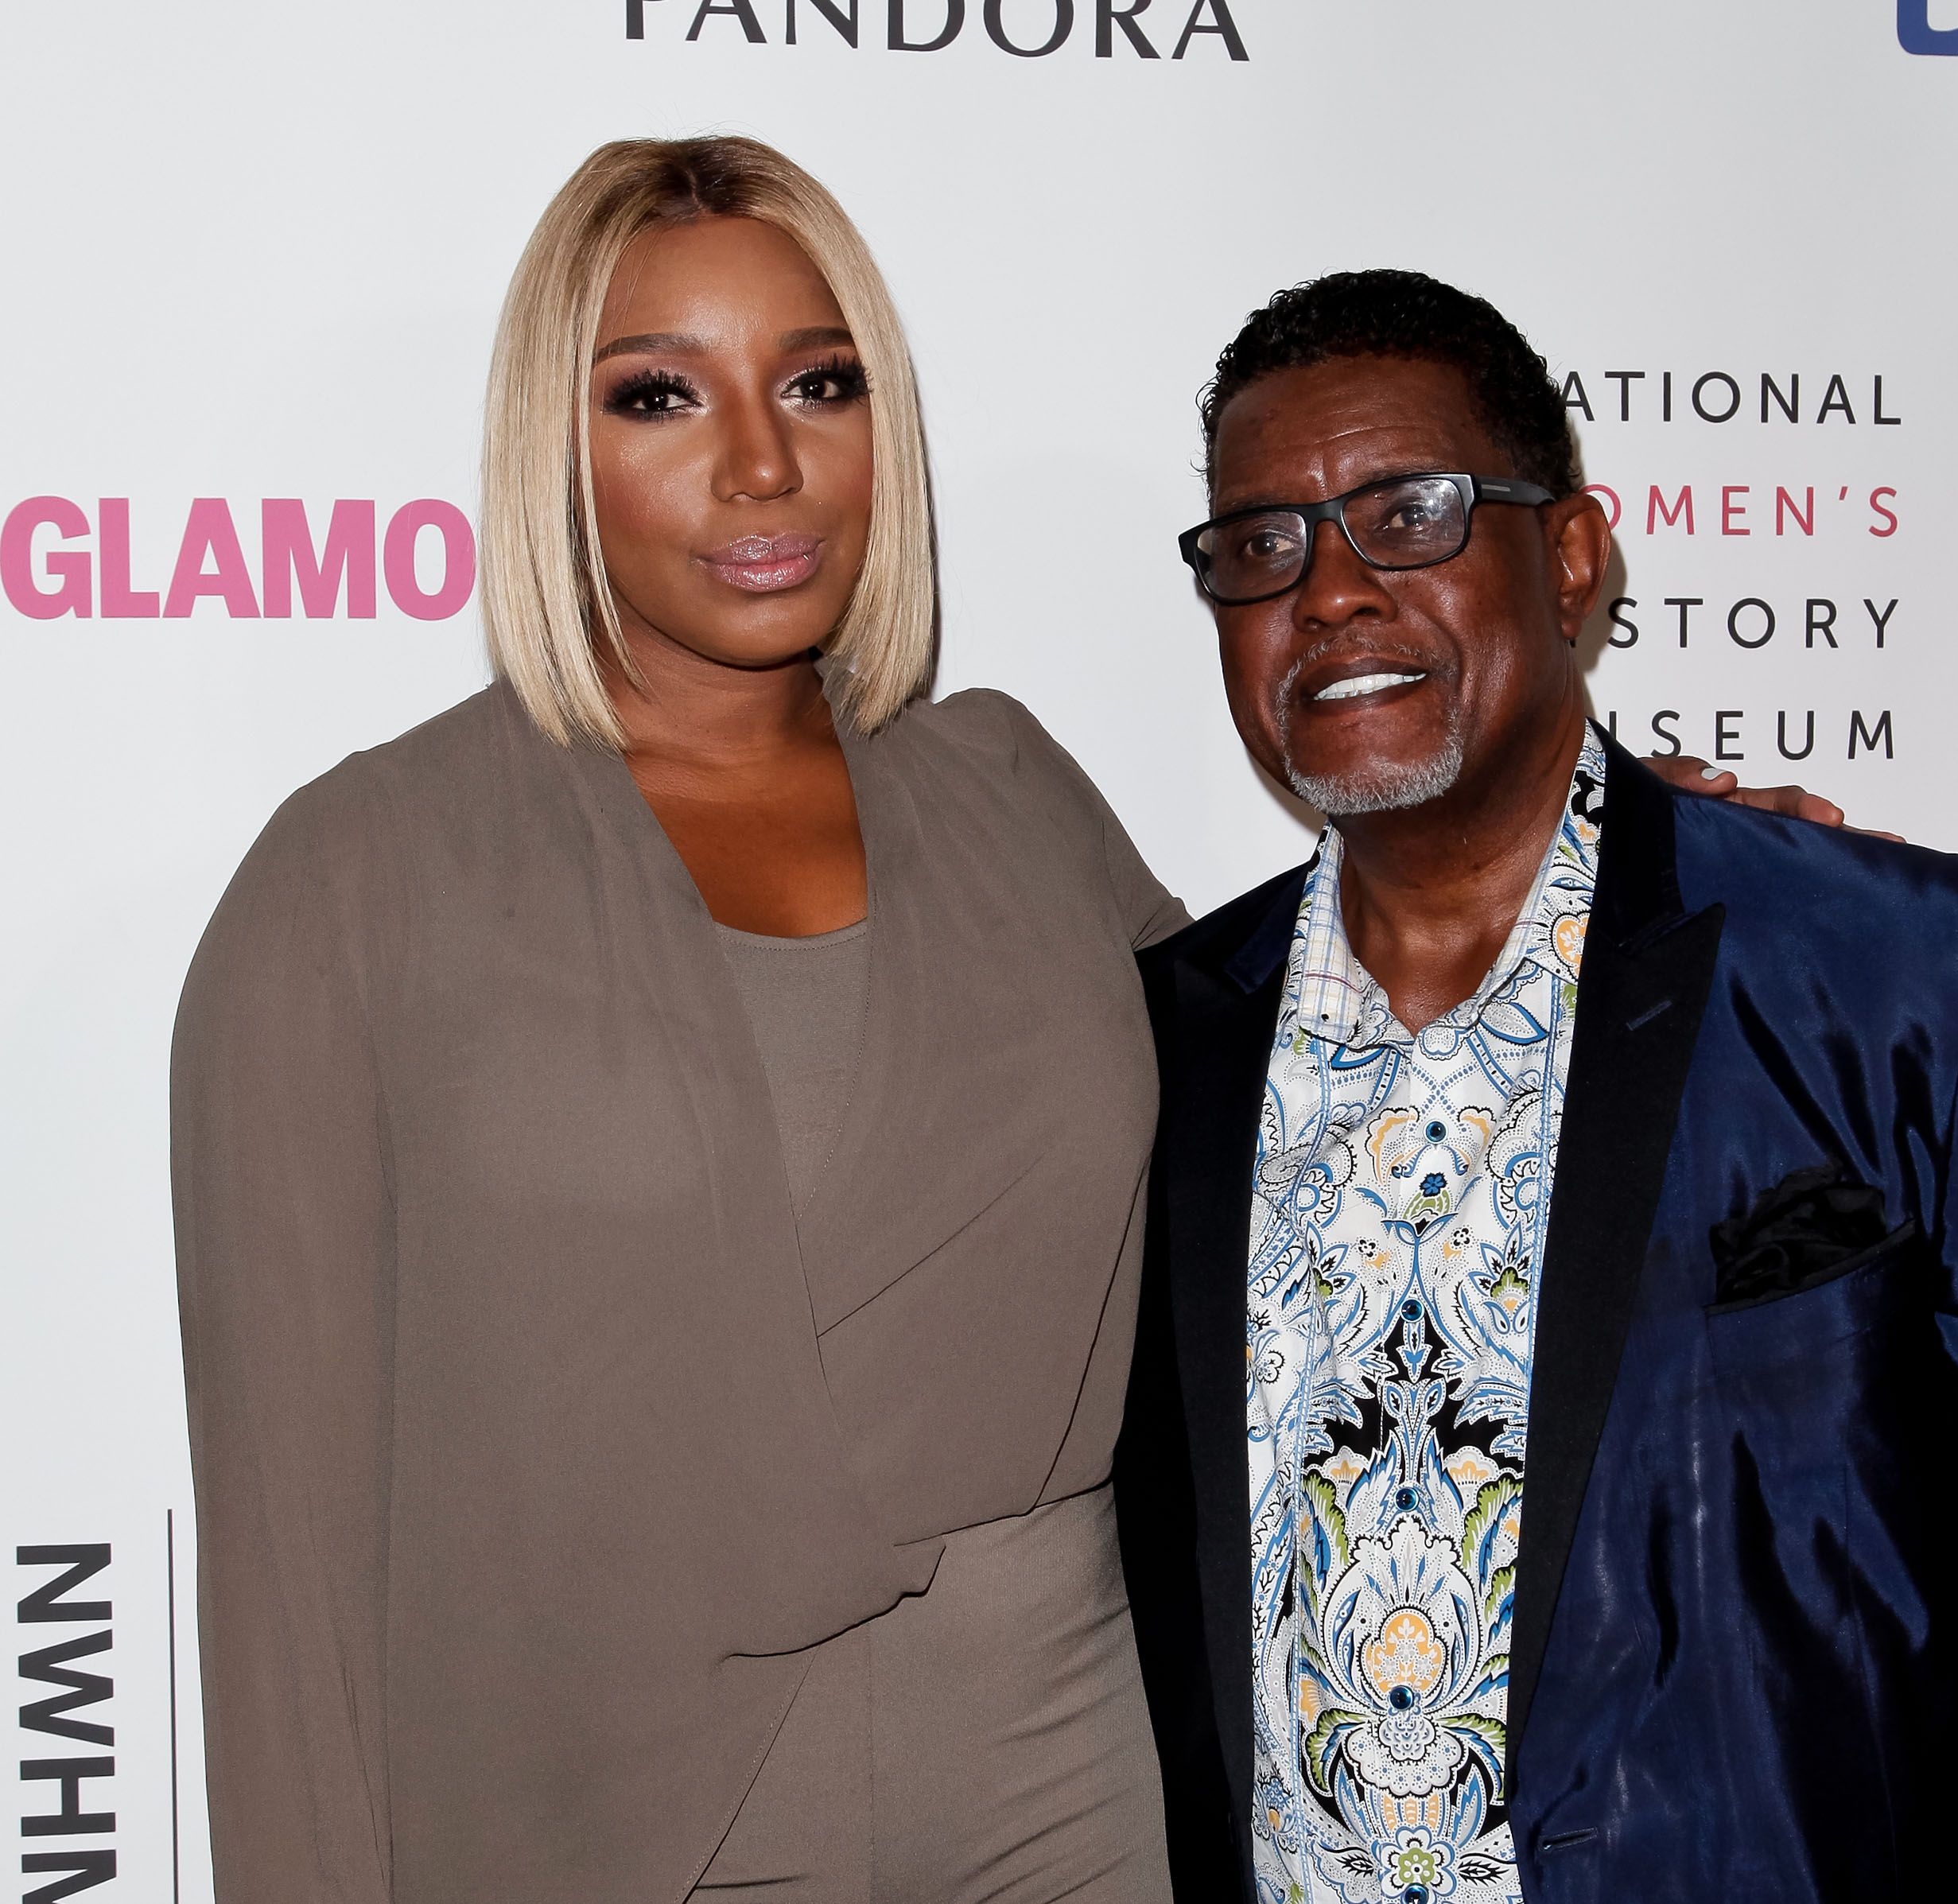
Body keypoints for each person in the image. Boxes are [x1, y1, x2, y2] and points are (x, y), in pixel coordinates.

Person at [170, 143, 1816, 1903]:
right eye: (659, 395)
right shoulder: (356, 883)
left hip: (1066, 1786)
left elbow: (1342, 1076)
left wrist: (1606, 869)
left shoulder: (1008, 791)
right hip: (596, 1810)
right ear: (546, 452)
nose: (760, 459)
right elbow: (290, 1586)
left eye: (822, 381)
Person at [1116, 270, 1958, 1904]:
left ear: (1575, 554)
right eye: (1263, 546)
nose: (1329, 591)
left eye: (1408, 513)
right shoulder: (1161, 1045)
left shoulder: (1900, 976)